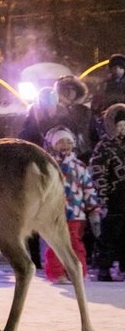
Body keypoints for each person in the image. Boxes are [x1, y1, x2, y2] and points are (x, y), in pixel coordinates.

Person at [41, 126, 100, 284]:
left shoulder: (79, 166)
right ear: (53, 145)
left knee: (76, 243)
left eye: (68, 141)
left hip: (75, 213)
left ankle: (79, 271)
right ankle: (56, 273)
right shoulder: (48, 166)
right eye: (60, 142)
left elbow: (88, 187)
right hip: (54, 213)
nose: (65, 145)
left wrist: (93, 208)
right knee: (56, 244)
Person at [90, 103, 125, 281]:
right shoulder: (105, 146)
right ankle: (104, 267)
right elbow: (98, 172)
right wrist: (102, 195)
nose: (123, 130)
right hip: (114, 195)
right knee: (110, 232)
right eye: (120, 126)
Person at [92, 53, 125, 127]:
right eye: (114, 67)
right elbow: (96, 102)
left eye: (120, 67)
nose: (117, 70)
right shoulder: (104, 84)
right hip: (106, 121)